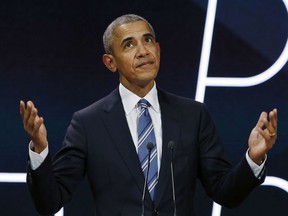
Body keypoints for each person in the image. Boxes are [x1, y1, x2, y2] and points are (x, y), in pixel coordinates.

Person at [20, 14, 278, 216]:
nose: (143, 51)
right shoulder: (88, 122)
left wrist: (253, 158)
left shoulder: (193, 115)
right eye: (129, 44)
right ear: (110, 62)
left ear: (158, 49)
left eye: (148, 40)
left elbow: (226, 194)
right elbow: (50, 202)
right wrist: (40, 149)